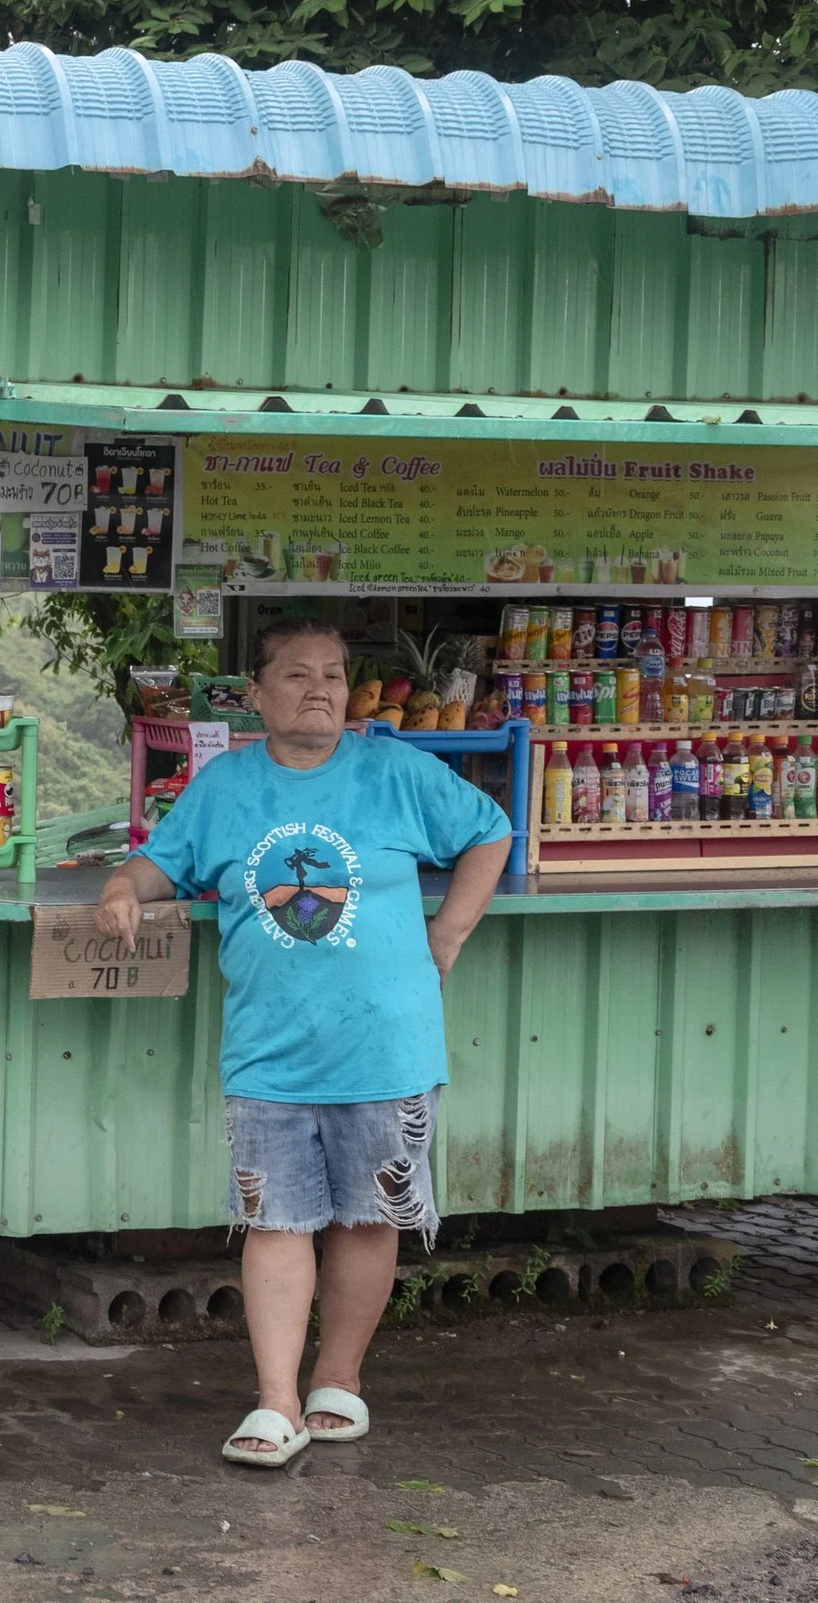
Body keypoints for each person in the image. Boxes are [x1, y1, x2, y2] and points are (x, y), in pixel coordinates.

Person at [97, 618, 510, 1467]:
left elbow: (489, 830)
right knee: (275, 1222)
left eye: (332, 675)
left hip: (385, 1047)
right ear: (256, 695)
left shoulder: (396, 771)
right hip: (269, 1051)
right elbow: (161, 864)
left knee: (367, 1218)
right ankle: (275, 1403)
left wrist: (450, 933)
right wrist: (120, 887)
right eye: (296, 675)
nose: (317, 689)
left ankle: (339, 1382)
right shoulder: (224, 786)